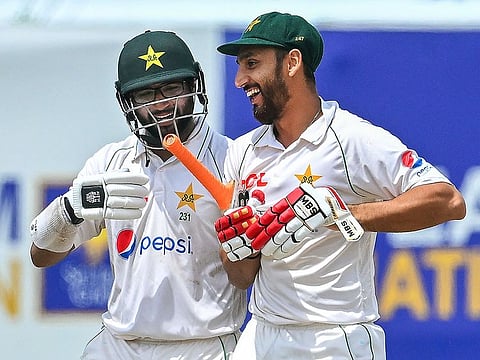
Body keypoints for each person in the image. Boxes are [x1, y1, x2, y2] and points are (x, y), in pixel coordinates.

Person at [213, 12, 466, 360]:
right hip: (260, 333)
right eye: (240, 67)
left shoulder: (351, 139)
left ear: (293, 63)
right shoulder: (243, 152)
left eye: (252, 64)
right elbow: (242, 277)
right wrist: (235, 248)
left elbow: (448, 200)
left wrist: (342, 213)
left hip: (334, 338)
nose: (240, 80)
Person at [29, 30, 246, 360]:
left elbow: (246, 278)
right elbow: (40, 255)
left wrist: (241, 237)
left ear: (193, 85)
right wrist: (69, 210)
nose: (160, 104)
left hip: (204, 346)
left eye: (172, 88)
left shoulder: (232, 160)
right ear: (127, 101)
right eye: (145, 94)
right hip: (119, 345)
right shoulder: (110, 162)